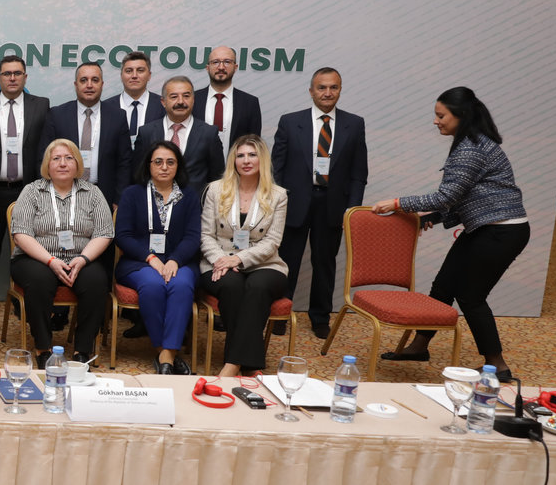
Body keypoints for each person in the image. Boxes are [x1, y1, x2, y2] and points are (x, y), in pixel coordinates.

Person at [369, 87, 528, 381]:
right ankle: (419, 346)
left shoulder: (470, 148)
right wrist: (434, 217)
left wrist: (397, 203)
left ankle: (498, 365)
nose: (436, 121)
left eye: (441, 115)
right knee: (443, 286)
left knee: (471, 296)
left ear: (461, 115)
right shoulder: (470, 141)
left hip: (501, 231)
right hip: (485, 227)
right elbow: (465, 196)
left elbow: (447, 196)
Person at [271, 66, 368, 339]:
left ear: (340, 90)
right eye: (321, 87)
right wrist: (277, 202)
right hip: (294, 202)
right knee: (286, 261)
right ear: (311, 91)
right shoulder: (290, 122)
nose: (327, 93)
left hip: (332, 204)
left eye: (333, 87)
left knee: (325, 263)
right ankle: (279, 314)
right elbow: (276, 168)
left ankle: (320, 317)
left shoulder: (354, 123)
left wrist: (352, 209)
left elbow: (359, 172)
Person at [9, 139, 113, 366]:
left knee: (97, 280)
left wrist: (83, 259)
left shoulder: (93, 193)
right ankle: (43, 348)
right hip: (35, 258)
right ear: (47, 164)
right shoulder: (32, 191)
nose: (63, 163)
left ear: (78, 163)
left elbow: (104, 233)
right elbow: (21, 234)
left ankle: (82, 351)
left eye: (69, 158)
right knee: (39, 279)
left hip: (81, 258)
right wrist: (50, 260)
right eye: (56, 158)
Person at [198, 135, 289, 377]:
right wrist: (222, 260)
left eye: (252, 155)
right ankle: (249, 365)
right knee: (232, 286)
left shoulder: (278, 195)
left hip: (265, 264)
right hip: (218, 260)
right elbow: (206, 235)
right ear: (233, 161)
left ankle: (233, 364)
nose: (246, 160)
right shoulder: (215, 190)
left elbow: (272, 241)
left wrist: (238, 259)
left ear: (262, 159)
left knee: (258, 287)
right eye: (240, 156)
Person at [115, 140, 202, 375]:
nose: (164, 167)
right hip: (138, 262)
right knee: (153, 285)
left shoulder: (189, 196)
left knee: (181, 285)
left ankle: (166, 356)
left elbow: (193, 236)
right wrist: (150, 257)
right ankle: (166, 353)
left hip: (180, 262)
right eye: (158, 162)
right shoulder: (132, 194)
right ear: (149, 165)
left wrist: (175, 260)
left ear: (178, 166)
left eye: (170, 162)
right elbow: (123, 236)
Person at [0, 55, 48, 304]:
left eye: (17, 73)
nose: (12, 78)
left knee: (28, 249)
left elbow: (46, 150)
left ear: (25, 77)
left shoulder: (41, 105)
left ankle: (21, 301)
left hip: (29, 190)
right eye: (7, 74)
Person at [42, 60, 131, 210]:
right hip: (62, 195)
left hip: (105, 197)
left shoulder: (117, 117)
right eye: (83, 80)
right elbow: (44, 158)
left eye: (95, 80)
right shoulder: (57, 115)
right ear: (75, 85)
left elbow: (125, 162)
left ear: (102, 84)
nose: (89, 85)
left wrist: (119, 199)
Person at [135, 75, 225, 189]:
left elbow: (217, 179)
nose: (181, 101)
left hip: (195, 199)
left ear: (193, 99)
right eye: (174, 97)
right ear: (163, 102)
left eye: (186, 96)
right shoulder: (146, 132)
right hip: (154, 198)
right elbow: (139, 175)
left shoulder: (209, 133)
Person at [199, 46, 262, 154]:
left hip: (236, 164)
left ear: (235, 67)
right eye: (215, 62)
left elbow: (254, 145)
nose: (221, 67)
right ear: (207, 67)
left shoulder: (250, 103)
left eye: (227, 62)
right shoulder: (193, 99)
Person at [112, 51, 156, 150]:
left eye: (140, 70)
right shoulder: (107, 107)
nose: (134, 75)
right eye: (129, 71)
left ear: (149, 75)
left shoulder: (162, 106)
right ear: (121, 75)